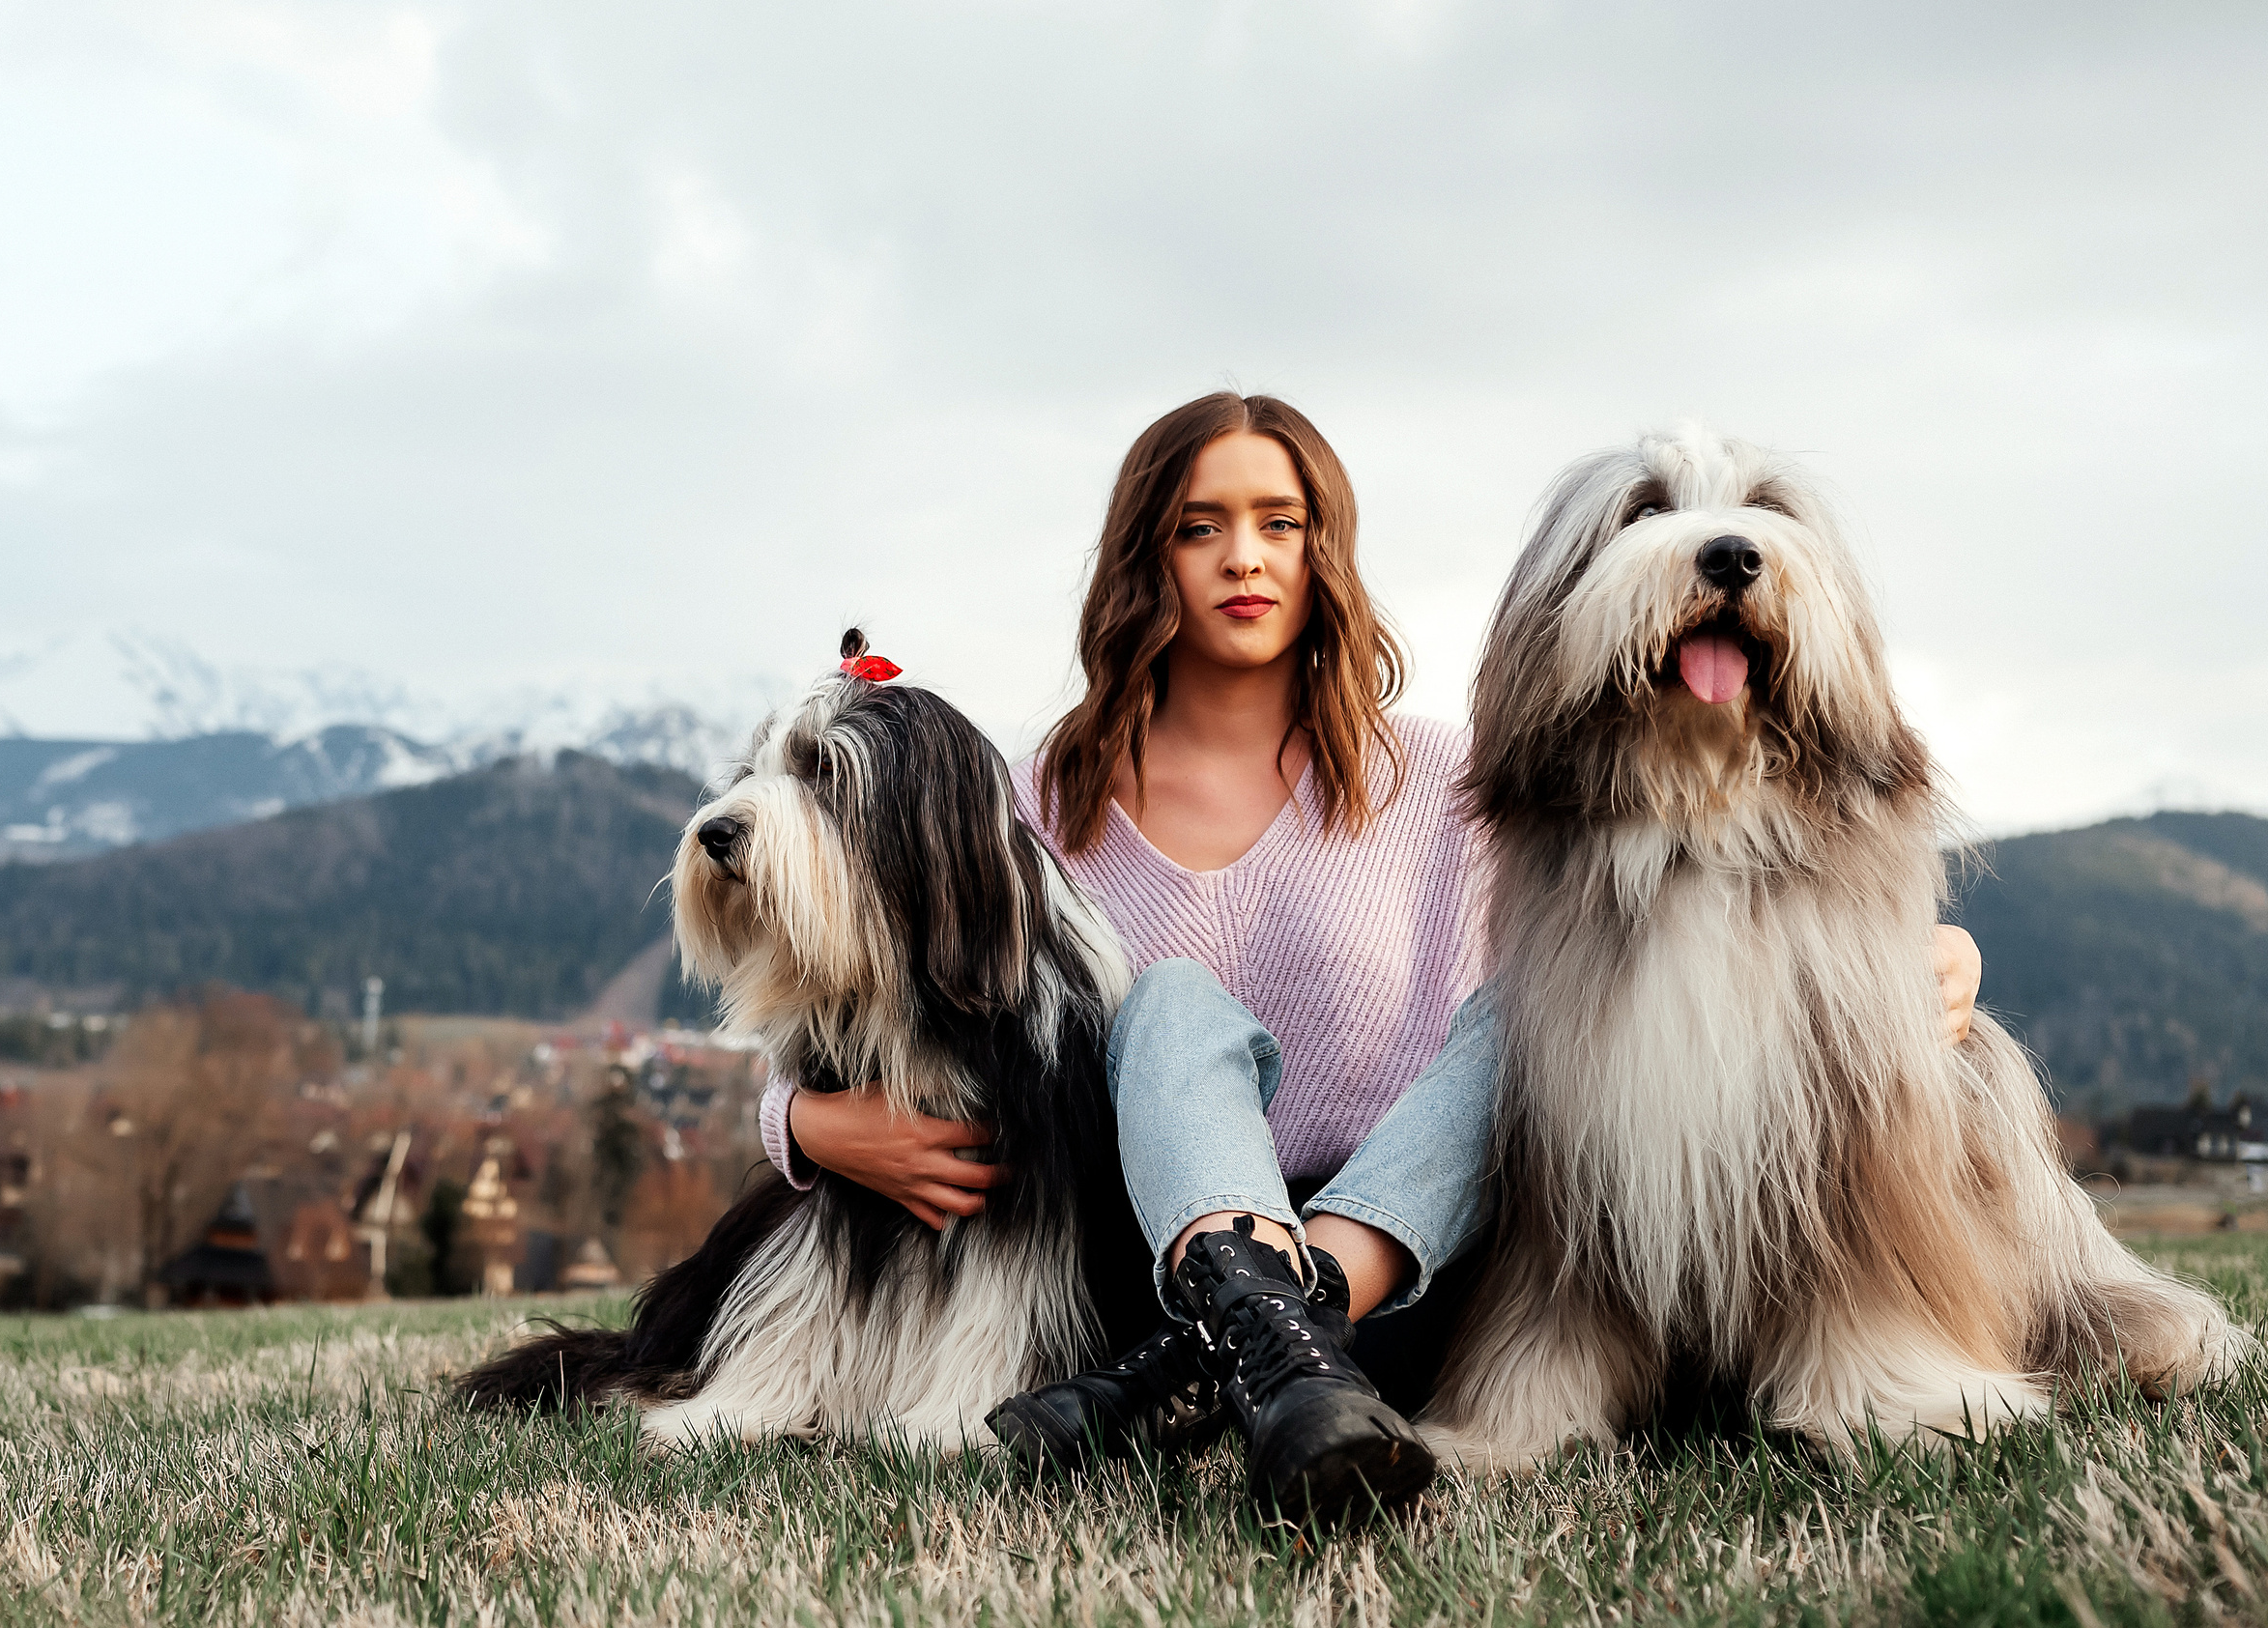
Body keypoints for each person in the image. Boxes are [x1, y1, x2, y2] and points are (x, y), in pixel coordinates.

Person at [756, 392, 1985, 1522]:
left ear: (1319, 553)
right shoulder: (1032, 800)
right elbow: (858, 993)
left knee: (1528, 1010)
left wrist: (1920, 944)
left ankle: (1267, 1335)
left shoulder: (1450, 780)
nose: (1244, 555)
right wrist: (803, 1125)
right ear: (1148, 559)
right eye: (1201, 526)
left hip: (1403, 1273)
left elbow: (1689, 931)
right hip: (1154, 1270)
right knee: (1168, 1005)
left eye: (1279, 522)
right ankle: (1254, 1331)